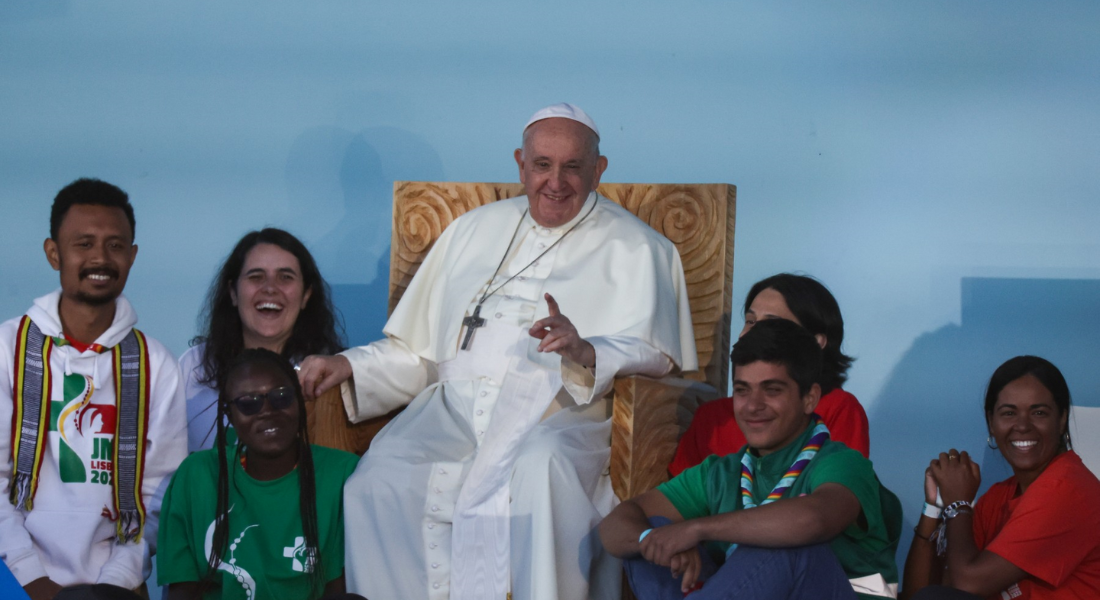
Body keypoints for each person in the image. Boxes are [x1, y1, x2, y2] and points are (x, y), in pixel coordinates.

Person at [297, 103, 697, 600]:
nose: (555, 181)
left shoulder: (639, 248)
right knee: (376, 483)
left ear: (599, 170)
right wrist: (347, 364)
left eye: (573, 166)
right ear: (520, 164)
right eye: (542, 165)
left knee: (541, 466)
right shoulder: (469, 230)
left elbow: (659, 356)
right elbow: (421, 354)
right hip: (453, 412)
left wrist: (586, 348)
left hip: (561, 411)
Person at [600, 318, 901, 600]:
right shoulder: (720, 472)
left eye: (772, 390)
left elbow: (814, 518)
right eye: (742, 391)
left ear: (810, 397)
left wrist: (696, 529)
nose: (753, 406)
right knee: (653, 532)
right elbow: (615, 525)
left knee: (786, 540)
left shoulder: (842, 463)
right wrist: (653, 541)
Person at [0, 178, 187, 599]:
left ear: (133, 256)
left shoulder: (156, 363)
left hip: (117, 585)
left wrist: (113, 584)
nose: (100, 257)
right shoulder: (5, 349)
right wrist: (32, 579)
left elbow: (159, 495)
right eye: (83, 243)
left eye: (116, 245)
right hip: (14, 575)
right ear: (54, 253)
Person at [158, 349, 360, 600]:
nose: (266, 411)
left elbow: (339, 590)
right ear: (230, 415)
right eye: (248, 403)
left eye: (281, 397)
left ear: (299, 401)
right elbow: (182, 591)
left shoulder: (342, 473)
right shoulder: (195, 476)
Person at [901, 356, 1100, 600]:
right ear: (991, 423)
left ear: (1060, 420)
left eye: (1038, 412)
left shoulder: (1068, 489)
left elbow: (967, 583)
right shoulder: (999, 496)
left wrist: (959, 505)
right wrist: (934, 507)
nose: (1022, 426)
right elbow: (923, 592)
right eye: (1008, 413)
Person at [670, 273, 869, 476]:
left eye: (770, 322)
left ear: (816, 341)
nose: (751, 332)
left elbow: (836, 499)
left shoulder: (839, 408)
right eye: (750, 321)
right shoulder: (710, 417)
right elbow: (676, 501)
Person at [180, 228, 344, 452]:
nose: (269, 289)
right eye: (256, 277)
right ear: (233, 293)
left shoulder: (331, 373)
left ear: (306, 295)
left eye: (285, 277)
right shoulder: (193, 367)